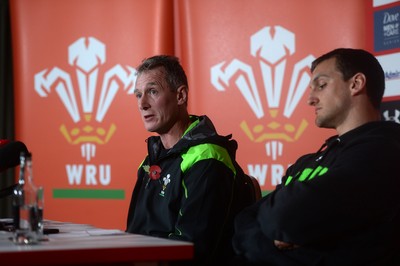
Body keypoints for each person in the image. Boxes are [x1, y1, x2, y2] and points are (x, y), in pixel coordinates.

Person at [232, 48, 400, 265]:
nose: (310, 100)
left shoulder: (383, 152)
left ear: (356, 84)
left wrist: (268, 236)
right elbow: (243, 222)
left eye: (321, 85)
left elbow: (283, 217)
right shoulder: (306, 162)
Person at [126, 55, 255, 265]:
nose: (142, 104)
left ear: (180, 96)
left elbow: (191, 250)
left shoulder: (208, 157)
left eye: (152, 92)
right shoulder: (150, 161)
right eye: (138, 95)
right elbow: (134, 234)